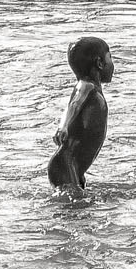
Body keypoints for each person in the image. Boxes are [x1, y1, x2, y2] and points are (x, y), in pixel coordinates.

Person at [48, 36, 114, 192]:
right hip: (65, 164)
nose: (113, 64)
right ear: (99, 63)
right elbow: (73, 105)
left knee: (79, 210)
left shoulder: (93, 90)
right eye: (110, 58)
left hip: (74, 167)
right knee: (75, 206)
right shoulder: (85, 86)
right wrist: (62, 127)